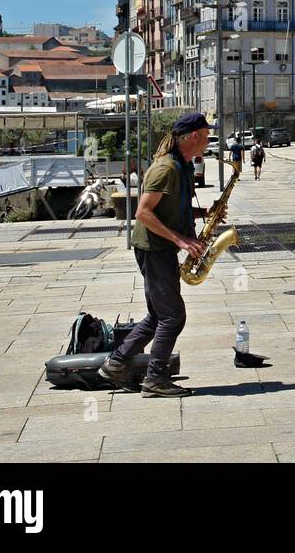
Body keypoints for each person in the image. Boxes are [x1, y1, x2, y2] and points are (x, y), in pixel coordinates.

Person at [98, 113, 211, 398]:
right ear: (194, 136)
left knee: (157, 315)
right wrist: (181, 241)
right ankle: (155, 380)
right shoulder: (165, 169)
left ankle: (116, 363)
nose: (209, 140)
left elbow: (171, 208)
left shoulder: (183, 167)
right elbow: (143, 213)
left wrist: (204, 214)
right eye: (206, 135)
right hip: (154, 248)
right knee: (173, 317)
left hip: (162, 248)